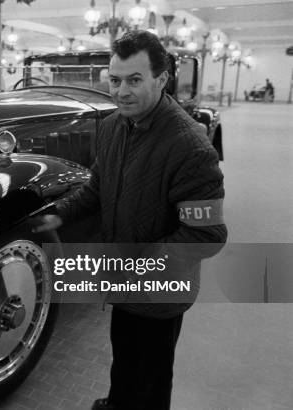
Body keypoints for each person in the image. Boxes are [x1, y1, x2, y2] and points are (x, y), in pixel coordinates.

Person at [33, 30, 227, 410]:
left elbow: (206, 236)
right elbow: (98, 187)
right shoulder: (113, 127)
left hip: (160, 292)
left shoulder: (190, 146)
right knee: (124, 358)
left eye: (135, 80)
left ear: (161, 78)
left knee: (151, 378)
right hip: (122, 281)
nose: (121, 91)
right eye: (115, 80)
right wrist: (60, 215)